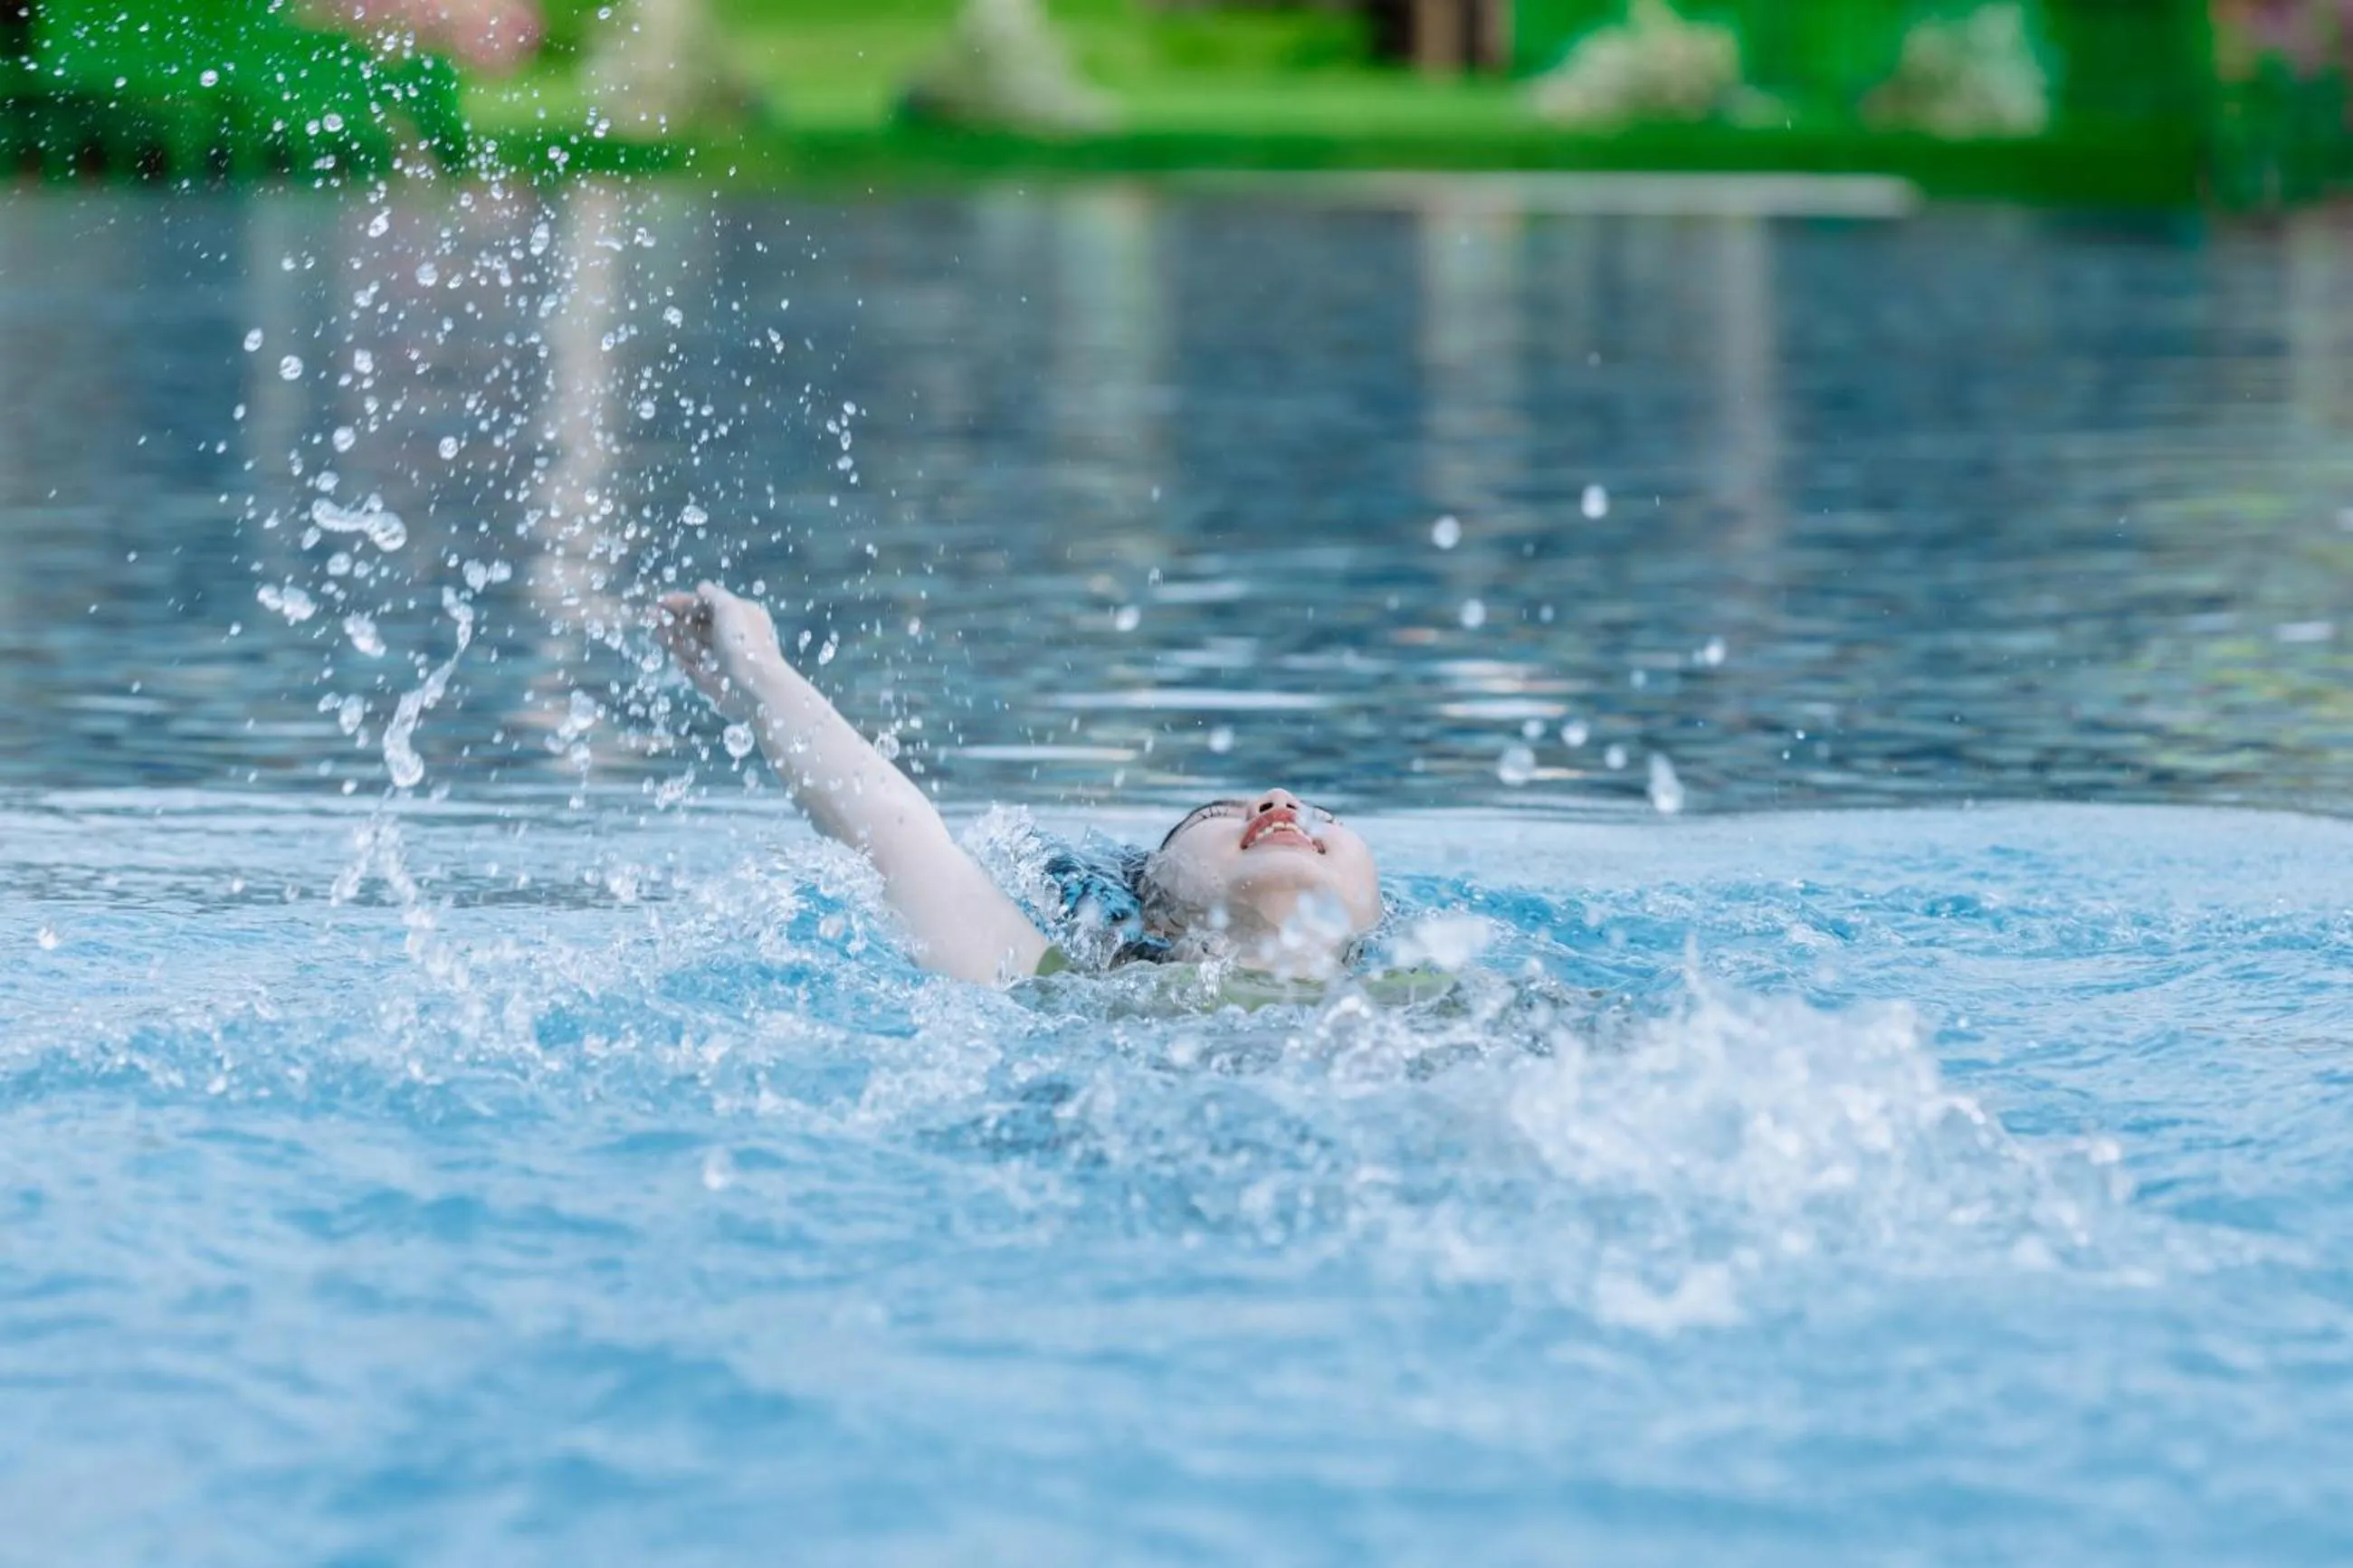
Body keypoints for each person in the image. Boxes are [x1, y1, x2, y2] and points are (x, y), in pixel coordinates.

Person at [653, 582, 1386, 989]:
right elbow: (896, 833)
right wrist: (758, 673)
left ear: (1379, 909)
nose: (1281, 801)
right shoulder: (1067, 991)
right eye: (1220, 813)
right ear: (1153, 906)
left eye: (1320, 815)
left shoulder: (1460, 996)